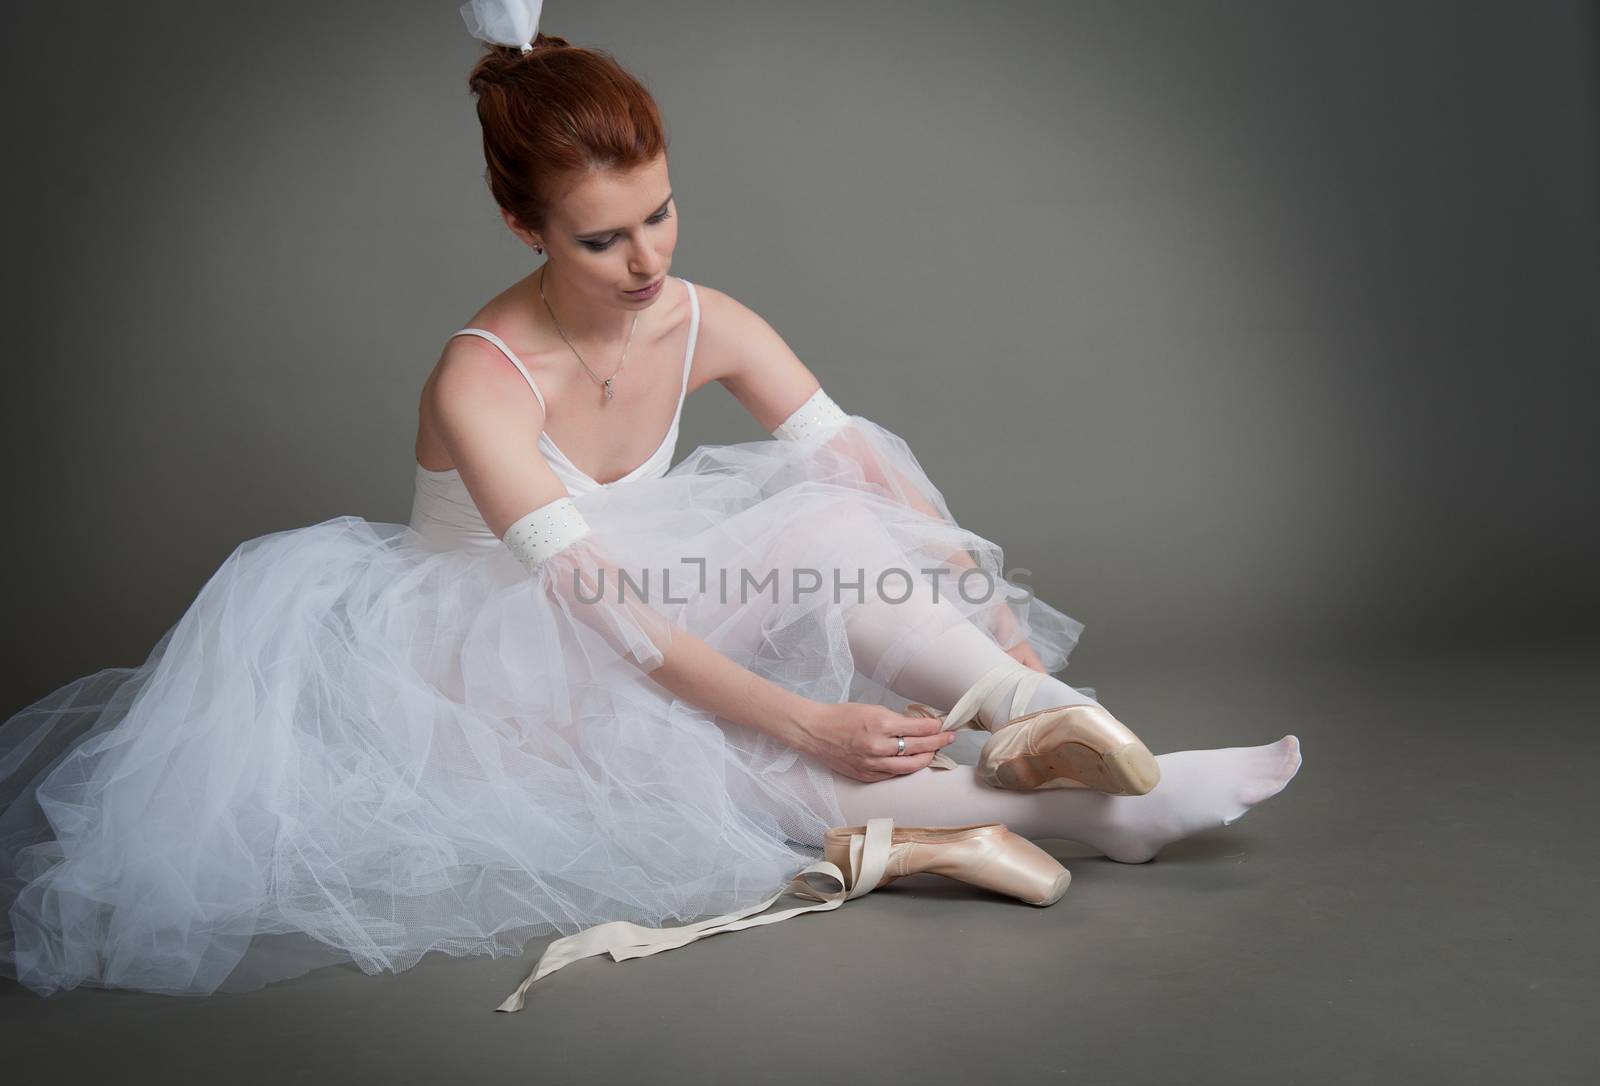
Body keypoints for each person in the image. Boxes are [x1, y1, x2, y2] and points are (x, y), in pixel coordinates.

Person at [0, 9, 1301, 1000]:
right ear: (525, 228)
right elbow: (601, 611)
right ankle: (1104, 814)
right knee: (742, 757)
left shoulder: (708, 318)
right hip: (483, 678)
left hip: (661, 608)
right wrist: (808, 715)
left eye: (660, 214)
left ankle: (1039, 719)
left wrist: (1011, 649)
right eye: (602, 238)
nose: (647, 261)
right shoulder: (480, 381)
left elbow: (872, 475)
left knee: (835, 522)